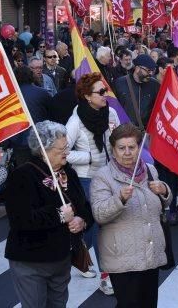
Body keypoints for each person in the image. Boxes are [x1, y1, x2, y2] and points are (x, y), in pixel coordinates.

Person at [4, 120, 93, 308]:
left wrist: (81, 220)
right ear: (43, 150)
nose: (67, 153)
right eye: (61, 149)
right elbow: (21, 220)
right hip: (32, 262)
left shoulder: (68, 172)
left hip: (62, 258)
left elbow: (84, 207)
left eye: (67, 147)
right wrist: (59, 215)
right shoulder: (22, 175)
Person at [90, 124, 171, 307]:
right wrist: (119, 199)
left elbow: (161, 205)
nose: (127, 152)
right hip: (123, 259)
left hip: (151, 255)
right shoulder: (103, 177)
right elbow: (99, 214)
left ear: (139, 148)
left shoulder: (150, 170)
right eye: (121, 148)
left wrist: (165, 190)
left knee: (149, 304)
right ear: (113, 150)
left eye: (132, 147)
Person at [65, 72, 121, 291]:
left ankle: (77, 254)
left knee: (90, 226)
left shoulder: (111, 113)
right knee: (101, 226)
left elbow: (116, 139)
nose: (105, 94)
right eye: (100, 92)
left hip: (109, 175)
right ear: (87, 96)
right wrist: (87, 157)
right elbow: (64, 152)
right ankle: (106, 276)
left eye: (105, 90)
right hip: (86, 179)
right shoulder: (76, 120)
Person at [113, 54, 160, 129]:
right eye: (148, 70)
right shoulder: (120, 83)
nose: (150, 74)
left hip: (146, 131)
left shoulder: (155, 85)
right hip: (126, 130)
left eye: (152, 71)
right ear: (137, 68)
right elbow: (115, 106)